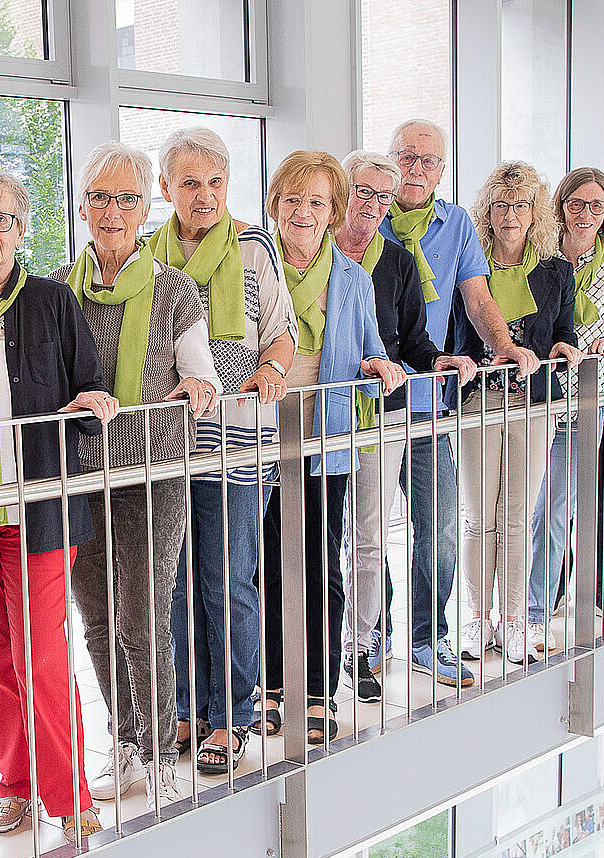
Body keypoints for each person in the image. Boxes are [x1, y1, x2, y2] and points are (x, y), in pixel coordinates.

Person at [0, 165, 114, 842]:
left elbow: (89, 387)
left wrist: (93, 402)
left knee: (40, 655)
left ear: (22, 228)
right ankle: (14, 782)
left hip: (37, 508)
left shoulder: (51, 301)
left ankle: (67, 793)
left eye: (0, 218)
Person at [62, 142, 220, 804]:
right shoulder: (57, 291)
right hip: (80, 473)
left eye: (127, 198)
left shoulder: (173, 289)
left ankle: (156, 749)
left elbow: (203, 373)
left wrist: (196, 386)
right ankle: (122, 742)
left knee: (142, 615)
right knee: (97, 616)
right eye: (101, 197)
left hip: (153, 471)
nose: (113, 210)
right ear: (82, 206)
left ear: (145, 206)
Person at [148, 126, 293, 772]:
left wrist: (272, 371)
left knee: (226, 582)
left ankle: (231, 714)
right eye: (189, 183)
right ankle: (185, 706)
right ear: (165, 189)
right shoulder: (148, 256)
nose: (203, 196)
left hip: (237, 442)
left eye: (214, 182)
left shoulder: (255, 247)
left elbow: (281, 335)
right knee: (177, 586)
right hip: (171, 447)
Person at [376, 120, 538, 687]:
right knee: (366, 534)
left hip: (424, 398)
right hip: (363, 404)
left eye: (428, 161)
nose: (416, 170)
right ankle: (376, 632)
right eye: (406, 158)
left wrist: (507, 347)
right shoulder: (367, 217)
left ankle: (427, 636)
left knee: (439, 524)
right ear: (390, 159)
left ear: (443, 170)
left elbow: (476, 296)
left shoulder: (457, 225)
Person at [259, 150, 405, 743]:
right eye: (293, 199)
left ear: (333, 211)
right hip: (260, 435)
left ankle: (319, 688)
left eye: (317, 202)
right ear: (276, 205)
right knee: (266, 564)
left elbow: (372, 350)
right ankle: (270, 686)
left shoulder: (354, 279)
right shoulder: (254, 266)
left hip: (328, 438)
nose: (304, 212)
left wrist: (380, 366)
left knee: (321, 563)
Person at [335, 151, 478, 697]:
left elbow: (417, 343)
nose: (369, 205)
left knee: (395, 531)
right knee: (346, 537)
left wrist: (439, 361)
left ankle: (386, 640)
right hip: (326, 414)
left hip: (388, 413)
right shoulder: (312, 254)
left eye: (380, 197)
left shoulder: (396, 262)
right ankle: (348, 644)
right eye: (360, 192)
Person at [450, 162, 579, 663]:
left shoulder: (555, 269)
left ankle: (516, 619)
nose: (511, 215)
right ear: (488, 211)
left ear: (535, 214)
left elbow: (565, 329)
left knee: (519, 515)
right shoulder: (470, 263)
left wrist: (568, 347)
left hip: (535, 399)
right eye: (502, 205)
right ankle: (477, 619)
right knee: (479, 517)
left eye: (521, 205)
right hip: (479, 395)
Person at [535, 167, 604, 624]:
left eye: (597, 206)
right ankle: (515, 605)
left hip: (589, 396)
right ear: (561, 204)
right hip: (538, 391)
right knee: (526, 508)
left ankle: (538, 606)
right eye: (577, 203)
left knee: (560, 504)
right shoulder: (540, 253)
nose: (585, 213)